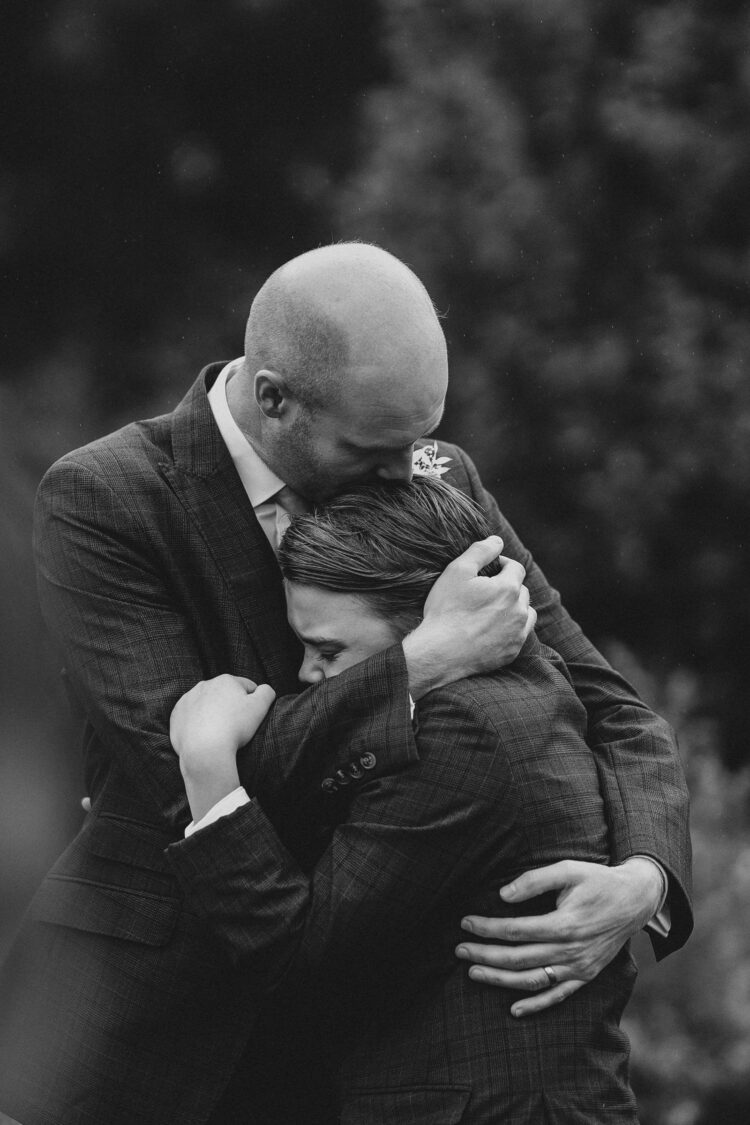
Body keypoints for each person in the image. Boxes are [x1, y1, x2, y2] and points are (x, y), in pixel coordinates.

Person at [0, 243, 690, 1125]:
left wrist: (644, 874)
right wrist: (424, 661)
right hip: (140, 1032)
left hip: (353, 1036)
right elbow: (189, 772)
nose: (411, 470)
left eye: (420, 439)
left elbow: (607, 704)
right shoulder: (107, 500)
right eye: (376, 447)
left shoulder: (433, 473)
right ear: (275, 398)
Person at [167, 475, 661, 1122]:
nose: (307, 674)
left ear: (435, 624)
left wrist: (210, 775)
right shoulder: (512, 697)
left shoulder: (465, 730)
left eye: (329, 650)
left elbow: (295, 962)